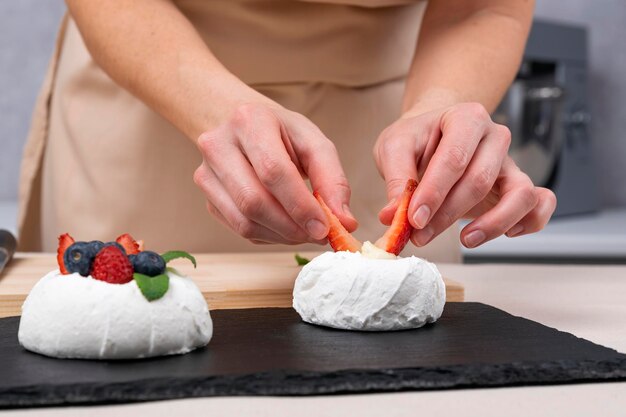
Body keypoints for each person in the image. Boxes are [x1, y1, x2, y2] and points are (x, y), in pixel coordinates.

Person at [18, 0, 555, 263]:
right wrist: (212, 105)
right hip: (151, 95)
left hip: (391, 120)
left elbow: (482, 7)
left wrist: (440, 106)